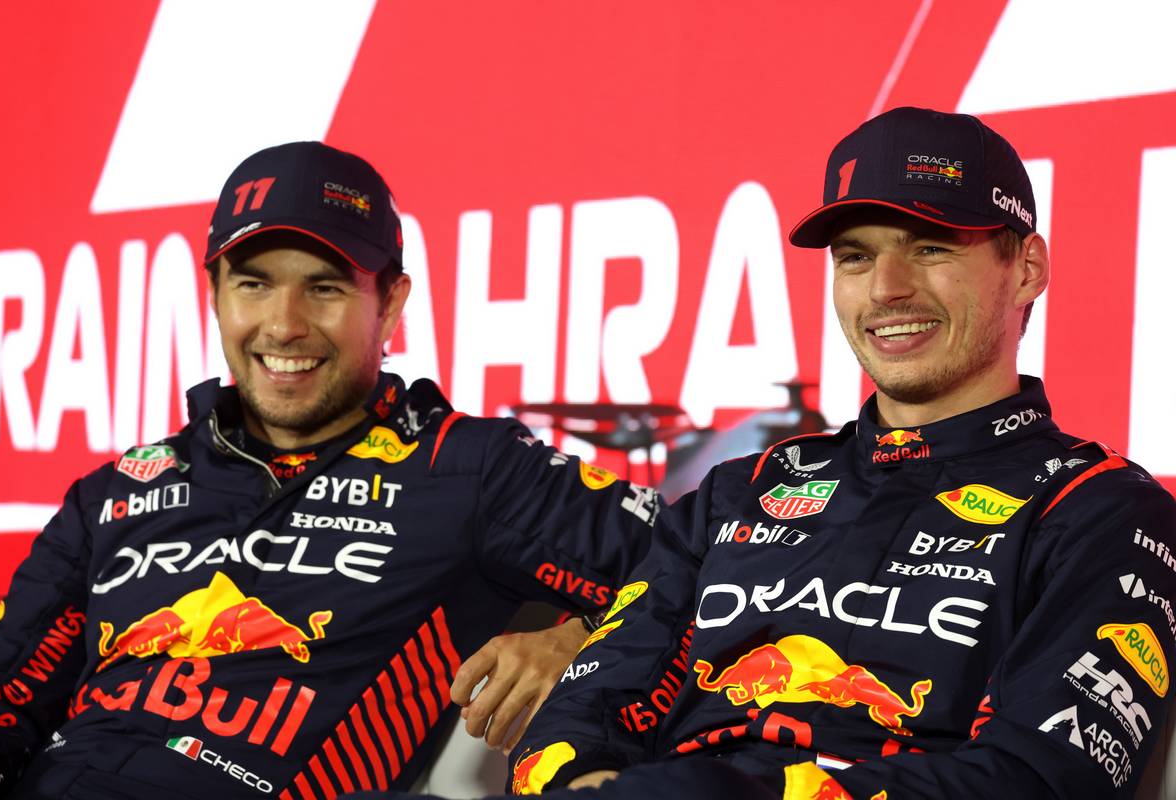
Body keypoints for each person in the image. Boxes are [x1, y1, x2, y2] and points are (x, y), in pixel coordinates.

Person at [483, 107, 1176, 799]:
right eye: (856, 256)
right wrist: (587, 782)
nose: (886, 287)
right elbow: (589, 702)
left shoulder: (1102, 509)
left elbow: (1044, 778)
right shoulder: (739, 490)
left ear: (1026, 269)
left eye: (930, 246)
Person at [0, 141, 661, 798]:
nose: (284, 325)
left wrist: (578, 640)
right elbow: (0, 698)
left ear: (389, 302)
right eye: (254, 284)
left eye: (324, 289)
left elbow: (708, 556)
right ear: (215, 292)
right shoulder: (116, 492)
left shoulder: (469, 467)